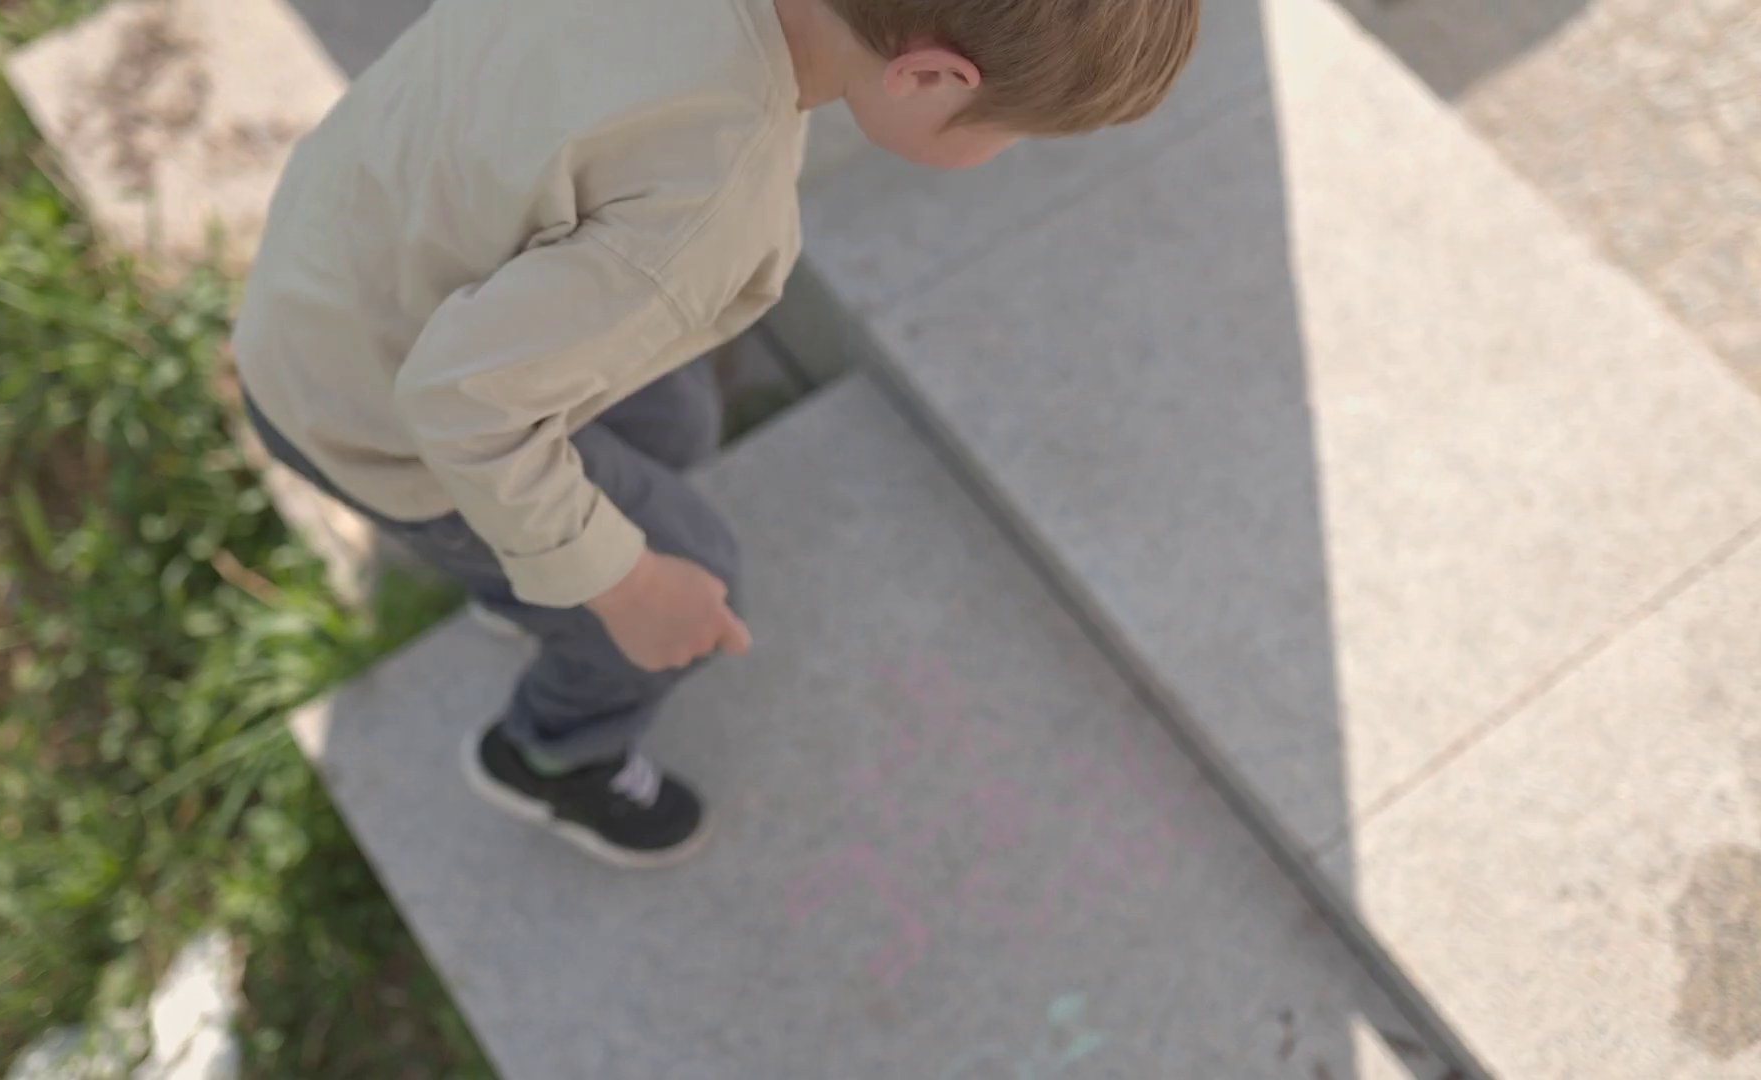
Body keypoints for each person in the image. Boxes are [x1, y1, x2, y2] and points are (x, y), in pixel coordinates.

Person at [234, 0, 1199, 869]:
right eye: (1010, 131)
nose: (1005, 151)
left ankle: (523, 583)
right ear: (930, 77)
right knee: (691, 580)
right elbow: (461, 407)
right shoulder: (700, 204)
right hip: (371, 415)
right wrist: (623, 585)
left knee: (678, 420)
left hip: (344, 270)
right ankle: (553, 754)